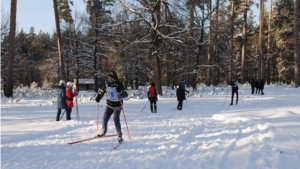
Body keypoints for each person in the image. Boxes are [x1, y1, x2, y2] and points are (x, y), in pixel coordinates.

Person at [95, 71, 126, 143]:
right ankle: (103, 131)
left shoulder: (119, 84)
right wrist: (98, 97)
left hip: (118, 105)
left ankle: (119, 135)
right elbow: (101, 92)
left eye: (111, 78)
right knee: (105, 118)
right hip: (109, 104)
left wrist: (121, 92)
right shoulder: (105, 84)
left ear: (115, 78)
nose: (110, 79)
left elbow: (125, 95)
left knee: (115, 119)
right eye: (109, 78)